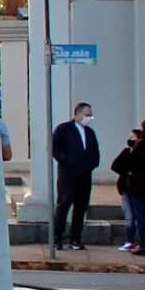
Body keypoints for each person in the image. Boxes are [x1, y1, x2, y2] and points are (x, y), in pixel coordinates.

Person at [50, 102, 101, 251]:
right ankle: (57, 237)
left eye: (90, 115)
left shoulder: (90, 132)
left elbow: (95, 152)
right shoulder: (64, 129)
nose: (89, 118)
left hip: (85, 175)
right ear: (77, 114)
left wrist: (91, 164)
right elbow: (55, 149)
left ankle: (75, 238)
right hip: (68, 174)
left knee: (81, 206)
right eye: (86, 114)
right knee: (64, 205)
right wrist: (67, 162)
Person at [114, 121, 145, 255]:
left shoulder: (140, 146)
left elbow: (129, 164)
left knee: (141, 217)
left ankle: (144, 245)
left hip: (138, 187)